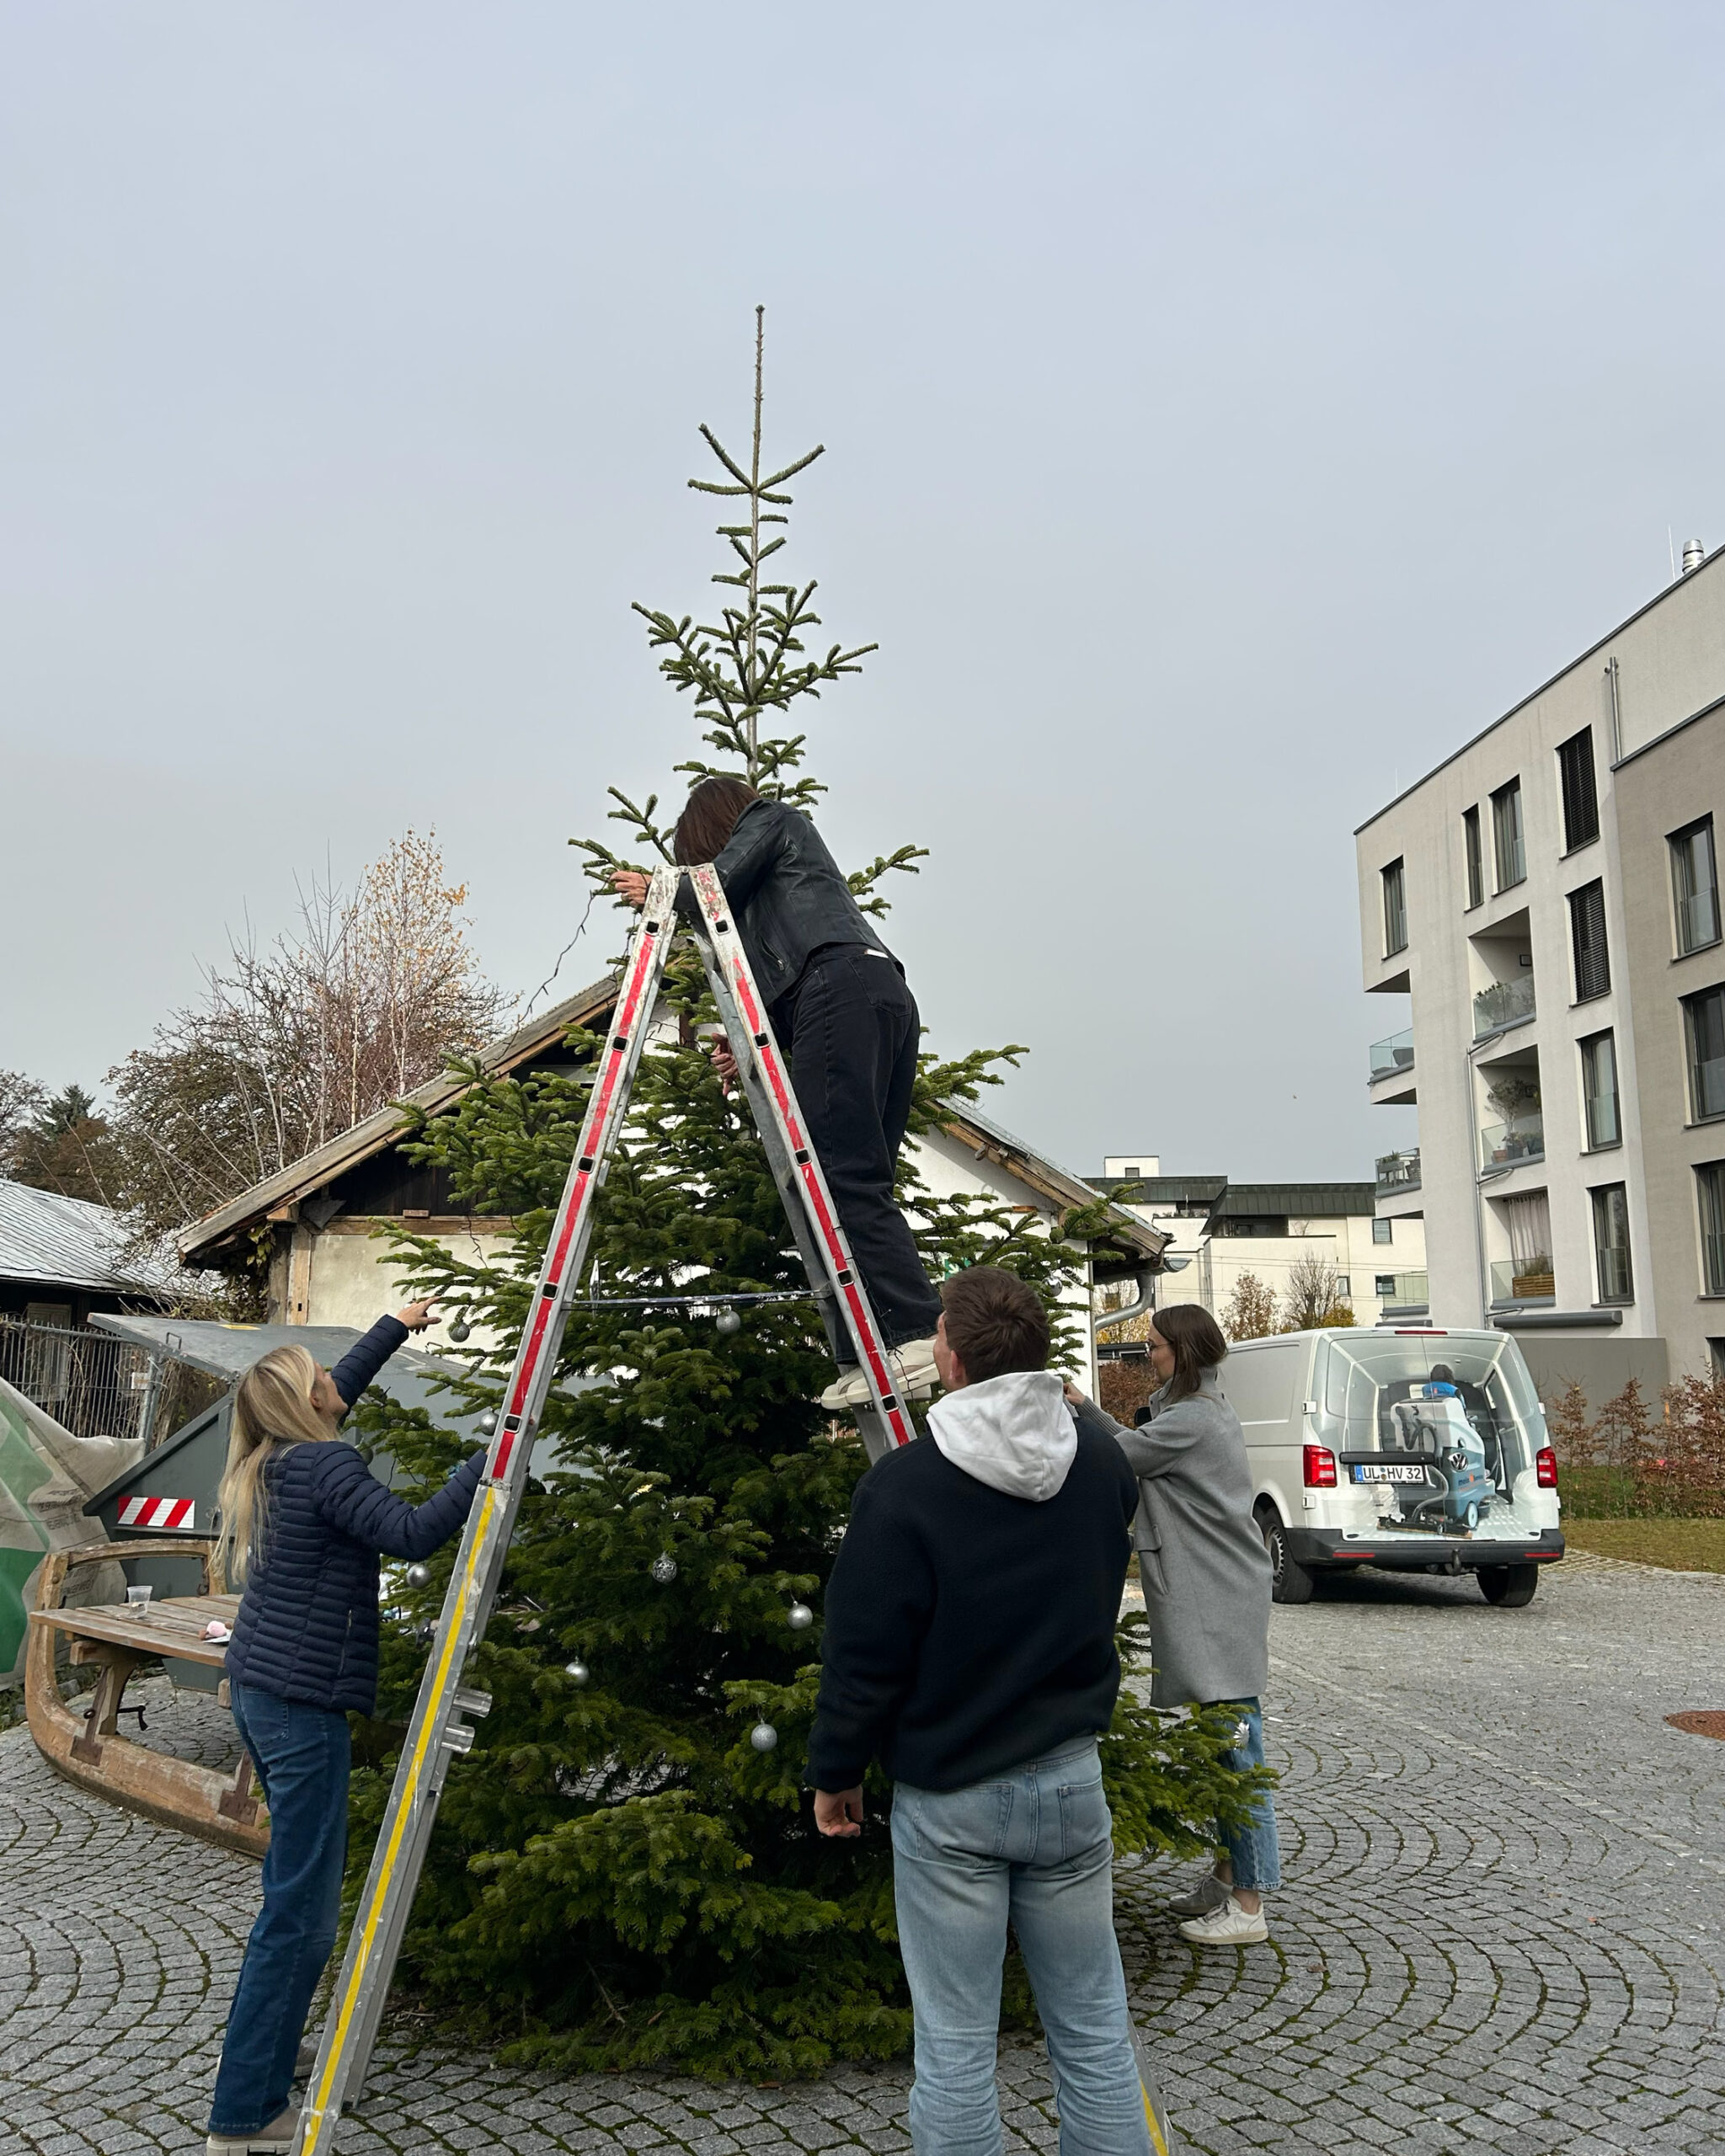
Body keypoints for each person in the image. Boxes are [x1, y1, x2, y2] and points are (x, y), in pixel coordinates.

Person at [807, 1266, 1152, 2156]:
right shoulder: (1102, 1462)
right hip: (1070, 1783)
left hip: (951, 1790)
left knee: (957, 2046)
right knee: (1091, 2029)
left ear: (947, 1360)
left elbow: (863, 1656)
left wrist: (835, 1771)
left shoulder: (903, 1488)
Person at [205, 1301, 486, 2156]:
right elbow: (410, 1534)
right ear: (308, 1403)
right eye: (320, 1377)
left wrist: (394, 1324)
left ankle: (263, 2057)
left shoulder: (277, 1456)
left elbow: (334, 1386)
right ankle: (243, 2115)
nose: (336, 1382)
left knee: (293, 1900)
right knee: (299, 1915)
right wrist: (488, 1459)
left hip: (261, 1689)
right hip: (298, 1705)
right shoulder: (326, 1466)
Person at [611, 774, 942, 1406]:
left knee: (843, 1176)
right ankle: (874, 1348)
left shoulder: (772, 820)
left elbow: (717, 882)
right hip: (875, 993)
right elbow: (784, 979)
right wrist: (749, 1040)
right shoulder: (785, 887)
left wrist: (663, 886)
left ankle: (917, 1330)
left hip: (842, 986)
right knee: (857, 1179)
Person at [1065, 1303, 1281, 1948]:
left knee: (1237, 1745)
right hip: (1215, 1588)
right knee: (1221, 1742)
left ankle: (1249, 1903)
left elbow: (1119, 1455)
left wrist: (1074, 1411)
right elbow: (1132, 1447)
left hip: (1218, 1596)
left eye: (1155, 1346)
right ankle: (1226, 1874)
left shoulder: (1194, 1420)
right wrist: (1083, 1403)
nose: (1148, 1354)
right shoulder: (1191, 1413)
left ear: (1182, 1353)